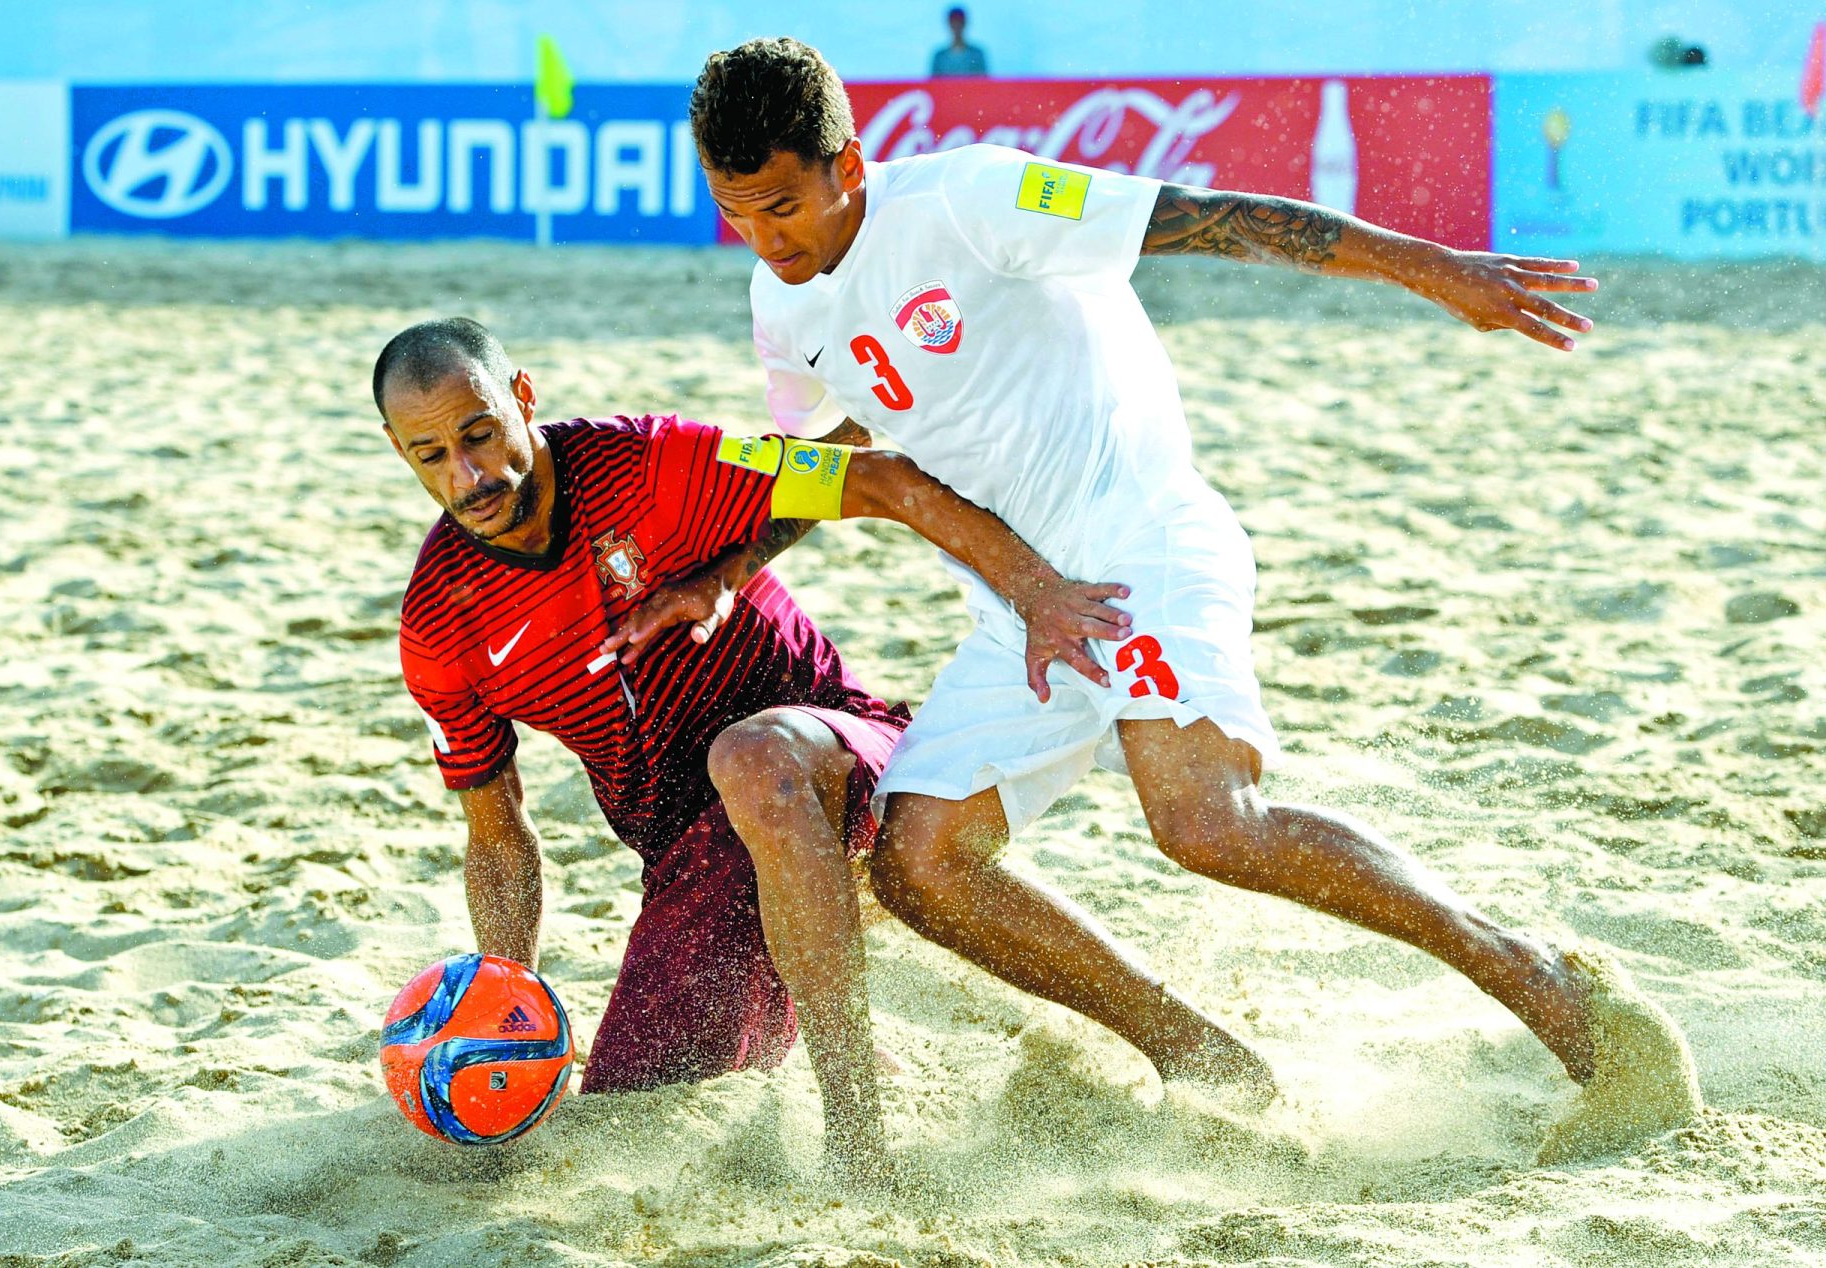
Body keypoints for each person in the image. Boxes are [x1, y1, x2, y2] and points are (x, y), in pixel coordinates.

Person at [618, 38, 1703, 1163]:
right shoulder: (778, 301)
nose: (766, 237)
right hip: (1025, 607)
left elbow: (1212, 216)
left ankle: (1528, 969)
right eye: (737, 210)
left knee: (1204, 824)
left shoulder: (970, 196)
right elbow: (843, 447)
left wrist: (1435, 271)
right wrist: (726, 570)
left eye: (783, 205)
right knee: (919, 860)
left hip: (1148, 541)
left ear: (847, 162)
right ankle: (1200, 1056)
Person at [376, 317, 1130, 1184]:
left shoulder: (652, 464)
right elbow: (499, 836)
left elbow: (869, 469)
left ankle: (857, 1131)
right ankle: (797, 998)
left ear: (522, 397)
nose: (467, 475)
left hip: (835, 763)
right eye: (430, 454)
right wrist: (504, 993)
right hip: (697, 868)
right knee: (630, 1119)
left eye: (480, 435)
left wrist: (1037, 592)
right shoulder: (438, 624)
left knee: (753, 759)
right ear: (397, 449)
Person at [929, 7, 988, 78]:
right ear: (949, 24)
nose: (957, 26)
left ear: (965, 23)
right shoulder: (939, 56)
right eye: (953, 22)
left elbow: (983, 82)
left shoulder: (977, 54)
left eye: (959, 22)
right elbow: (934, 84)